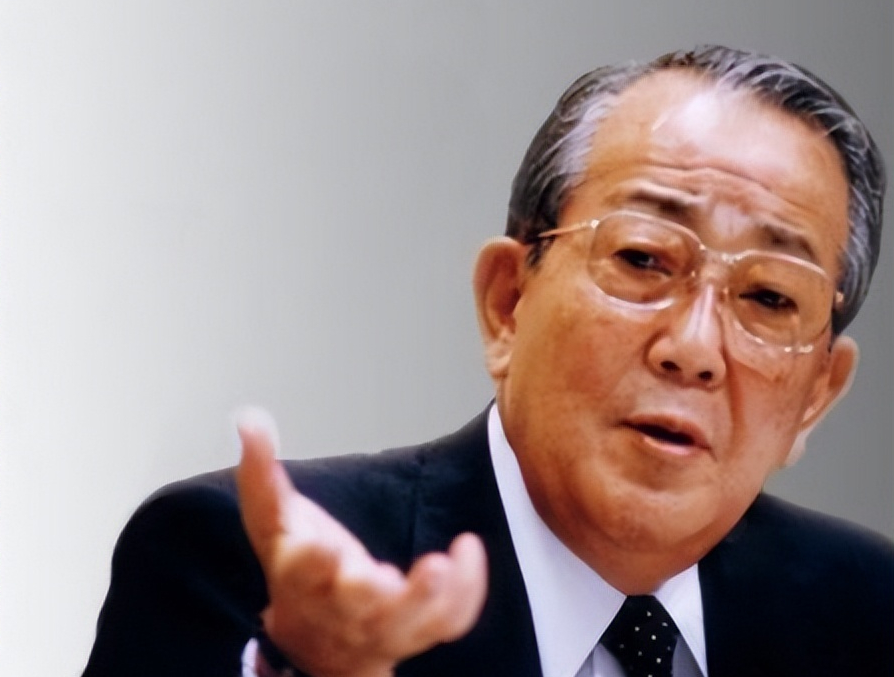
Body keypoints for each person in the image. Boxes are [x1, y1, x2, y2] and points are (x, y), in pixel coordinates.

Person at [83, 45, 893, 677]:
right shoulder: (253, 570)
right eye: (643, 258)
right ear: (508, 301)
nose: (693, 348)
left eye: (769, 297)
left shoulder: (871, 613)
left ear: (816, 396)